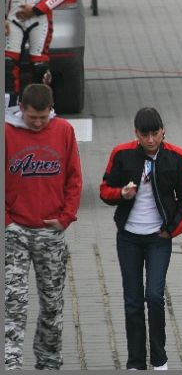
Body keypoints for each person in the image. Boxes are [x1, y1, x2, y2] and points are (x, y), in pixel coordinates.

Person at [99, 107, 182, 370]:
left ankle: (159, 356)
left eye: (155, 134)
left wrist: (173, 229)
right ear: (136, 134)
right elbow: (104, 190)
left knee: (154, 296)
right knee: (132, 300)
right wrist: (122, 193)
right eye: (145, 135)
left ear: (163, 131)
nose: (151, 140)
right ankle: (135, 361)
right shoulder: (122, 154)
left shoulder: (177, 157)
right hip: (128, 238)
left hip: (158, 238)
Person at [5, 84, 82, 370]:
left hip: (50, 231)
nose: (37, 123)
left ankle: (48, 361)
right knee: (13, 301)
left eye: (42, 117)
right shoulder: (7, 132)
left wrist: (65, 217)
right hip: (15, 231)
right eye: (32, 117)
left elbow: (74, 177)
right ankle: (9, 362)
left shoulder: (63, 131)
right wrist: (7, 221)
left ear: (51, 110)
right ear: (21, 109)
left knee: (51, 302)